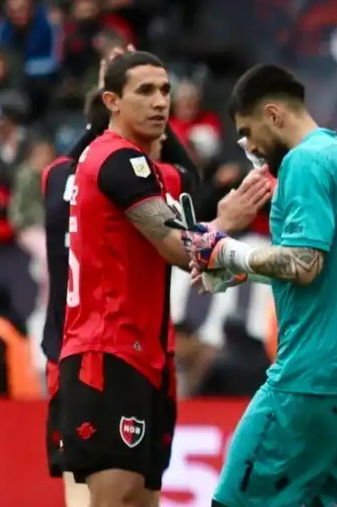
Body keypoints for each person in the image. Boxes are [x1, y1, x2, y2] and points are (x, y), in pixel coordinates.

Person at [58, 50, 271, 507]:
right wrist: (225, 222)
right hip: (109, 351)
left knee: (141, 498)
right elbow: (178, 247)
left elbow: (185, 178)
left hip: (144, 352)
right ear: (111, 101)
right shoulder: (117, 161)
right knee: (113, 497)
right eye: (145, 92)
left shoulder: (132, 167)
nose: (160, 102)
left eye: (165, 91)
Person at [181, 64, 337, 506]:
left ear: (273, 115)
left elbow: (305, 262)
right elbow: (330, 263)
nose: (250, 148)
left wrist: (224, 251)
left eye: (248, 132)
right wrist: (233, 271)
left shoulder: (303, 161)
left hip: (308, 377)